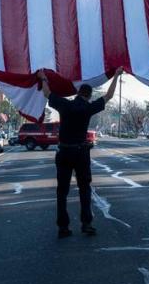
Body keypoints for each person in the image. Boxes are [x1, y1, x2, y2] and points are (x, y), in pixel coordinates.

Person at [36, 69, 119, 238]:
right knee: (84, 188)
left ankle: (63, 227)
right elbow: (109, 96)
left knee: (62, 191)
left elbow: (47, 93)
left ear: (77, 93)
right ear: (88, 95)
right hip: (81, 153)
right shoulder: (88, 108)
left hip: (64, 151)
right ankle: (86, 223)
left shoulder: (65, 105)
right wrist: (116, 75)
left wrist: (43, 77)